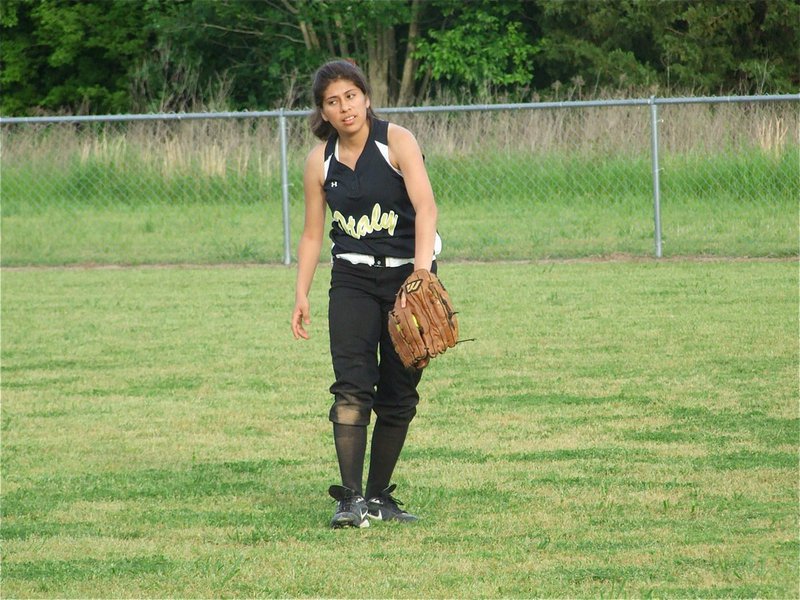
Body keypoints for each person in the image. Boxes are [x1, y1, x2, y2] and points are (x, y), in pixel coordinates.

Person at [291, 59, 441, 529]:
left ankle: (379, 497)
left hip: (405, 281)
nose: (344, 107)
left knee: (399, 393)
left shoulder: (396, 141)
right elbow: (314, 234)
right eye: (332, 101)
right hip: (352, 280)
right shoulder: (321, 162)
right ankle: (350, 500)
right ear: (324, 112)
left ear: (366, 97)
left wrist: (421, 275)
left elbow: (426, 206)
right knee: (352, 387)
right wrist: (302, 294)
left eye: (350, 96)